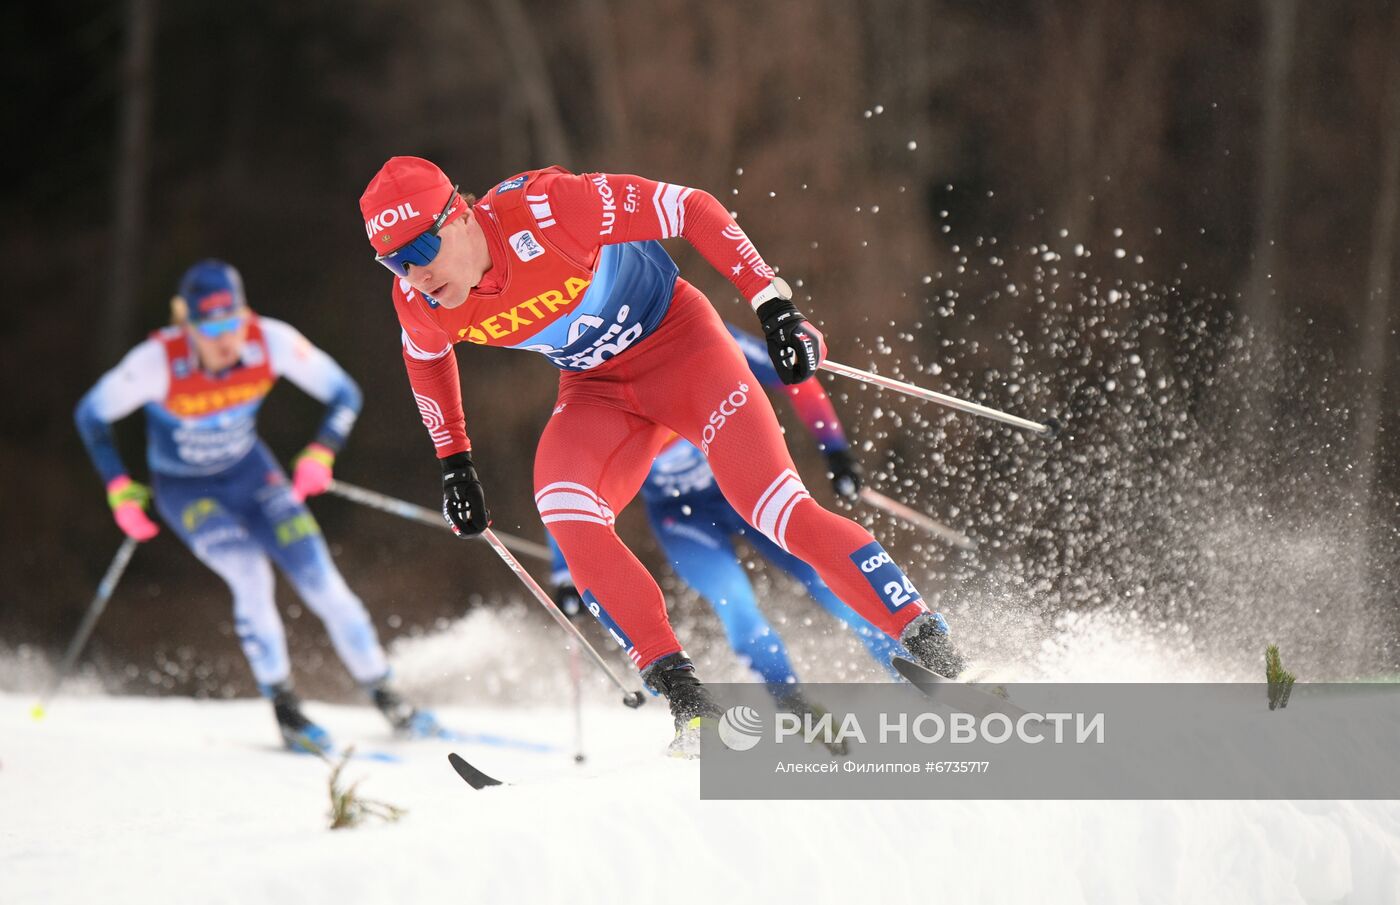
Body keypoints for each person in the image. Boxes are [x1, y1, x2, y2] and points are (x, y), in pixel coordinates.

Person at [359, 158, 963, 755]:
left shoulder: (548, 209)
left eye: (419, 250)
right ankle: (691, 709)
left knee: (776, 510)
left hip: (683, 348)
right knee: (565, 509)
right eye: (393, 262)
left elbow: (692, 207)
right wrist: (455, 462)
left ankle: (935, 650)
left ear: (459, 215)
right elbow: (427, 359)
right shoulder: (420, 300)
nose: (412, 275)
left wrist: (772, 305)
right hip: (596, 390)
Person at [74, 259, 439, 753]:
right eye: (211, 328)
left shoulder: (271, 341)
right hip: (187, 491)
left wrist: (320, 452)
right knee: (250, 574)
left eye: (233, 324)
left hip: (253, 475)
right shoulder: (157, 363)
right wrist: (118, 488)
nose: (226, 340)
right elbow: (92, 415)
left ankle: (387, 695)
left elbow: (344, 394)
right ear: (188, 325)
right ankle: (286, 708)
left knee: (324, 582)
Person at [548, 323, 908, 694]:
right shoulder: (596, 386)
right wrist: (565, 573)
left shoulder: (697, 334)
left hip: (745, 485)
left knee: (828, 581)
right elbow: (570, 489)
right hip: (683, 519)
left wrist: (835, 450)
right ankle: (794, 706)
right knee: (736, 607)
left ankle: (913, 667)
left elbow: (794, 375)